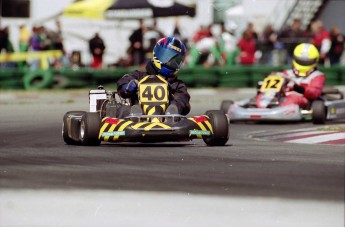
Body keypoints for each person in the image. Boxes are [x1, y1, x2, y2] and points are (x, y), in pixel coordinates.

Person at [117, 37, 190, 116]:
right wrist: (127, 87)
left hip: (167, 120)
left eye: (175, 61)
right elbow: (123, 81)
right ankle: (136, 113)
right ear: (156, 54)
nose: (169, 62)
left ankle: (171, 113)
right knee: (123, 109)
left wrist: (171, 100)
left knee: (176, 106)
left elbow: (183, 101)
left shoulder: (177, 85)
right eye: (166, 57)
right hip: (138, 119)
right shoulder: (139, 76)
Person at [257, 43, 325, 109]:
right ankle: (263, 105)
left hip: (302, 99)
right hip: (282, 97)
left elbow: (315, 93)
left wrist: (297, 88)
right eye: (300, 61)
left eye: (306, 62)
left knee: (292, 98)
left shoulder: (317, 76)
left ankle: (278, 109)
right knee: (264, 93)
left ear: (315, 61)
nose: (303, 64)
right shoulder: (287, 73)